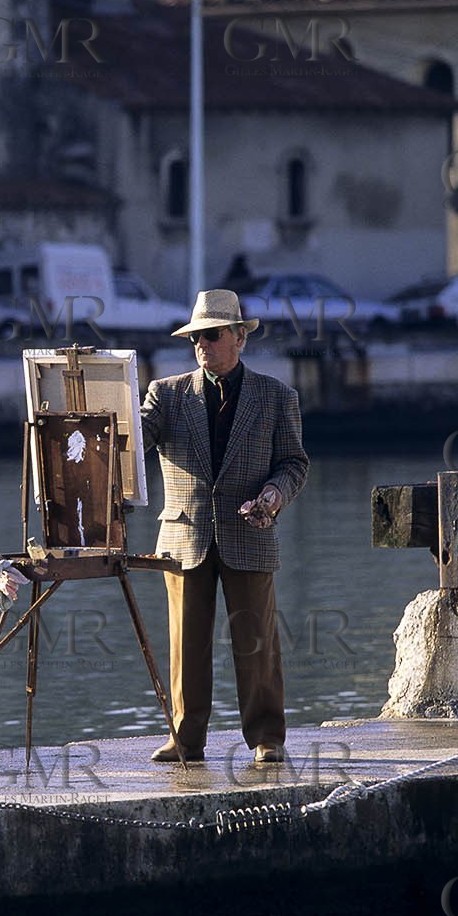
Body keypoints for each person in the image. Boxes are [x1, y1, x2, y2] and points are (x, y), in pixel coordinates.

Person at [139, 289, 309, 766]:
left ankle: (267, 738)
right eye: (195, 338)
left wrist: (274, 496)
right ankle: (186, 741)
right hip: (183, 535)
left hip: (251, 532)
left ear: (239, 338)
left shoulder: (277, 397)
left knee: (257, 644)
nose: (201, 345)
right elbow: (136, 437)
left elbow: (294, 464)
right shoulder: (165, 394)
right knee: (185, 646)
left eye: (211, 336)